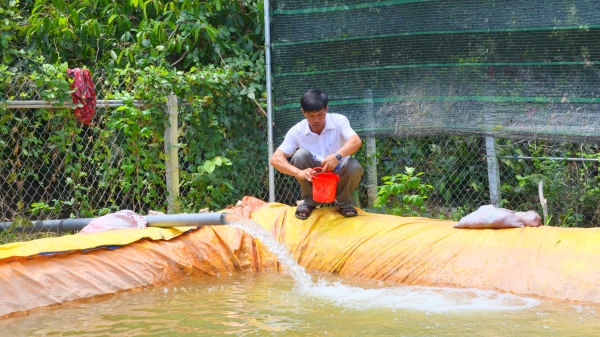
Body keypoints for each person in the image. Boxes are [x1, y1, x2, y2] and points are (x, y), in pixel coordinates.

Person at [270, 89, 364, 220]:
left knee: (353, 165)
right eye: (311, 115)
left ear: (327, 108)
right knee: (300, 155)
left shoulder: (339, 121)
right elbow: (275, 159)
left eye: (320, 114)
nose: (316, 120)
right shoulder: (297, 130)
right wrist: (298, 172)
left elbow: (356, 141)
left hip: (338, 176)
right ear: (303, 112)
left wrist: (337, 156)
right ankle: (309, 202)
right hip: (314, 178)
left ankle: (343, 204)